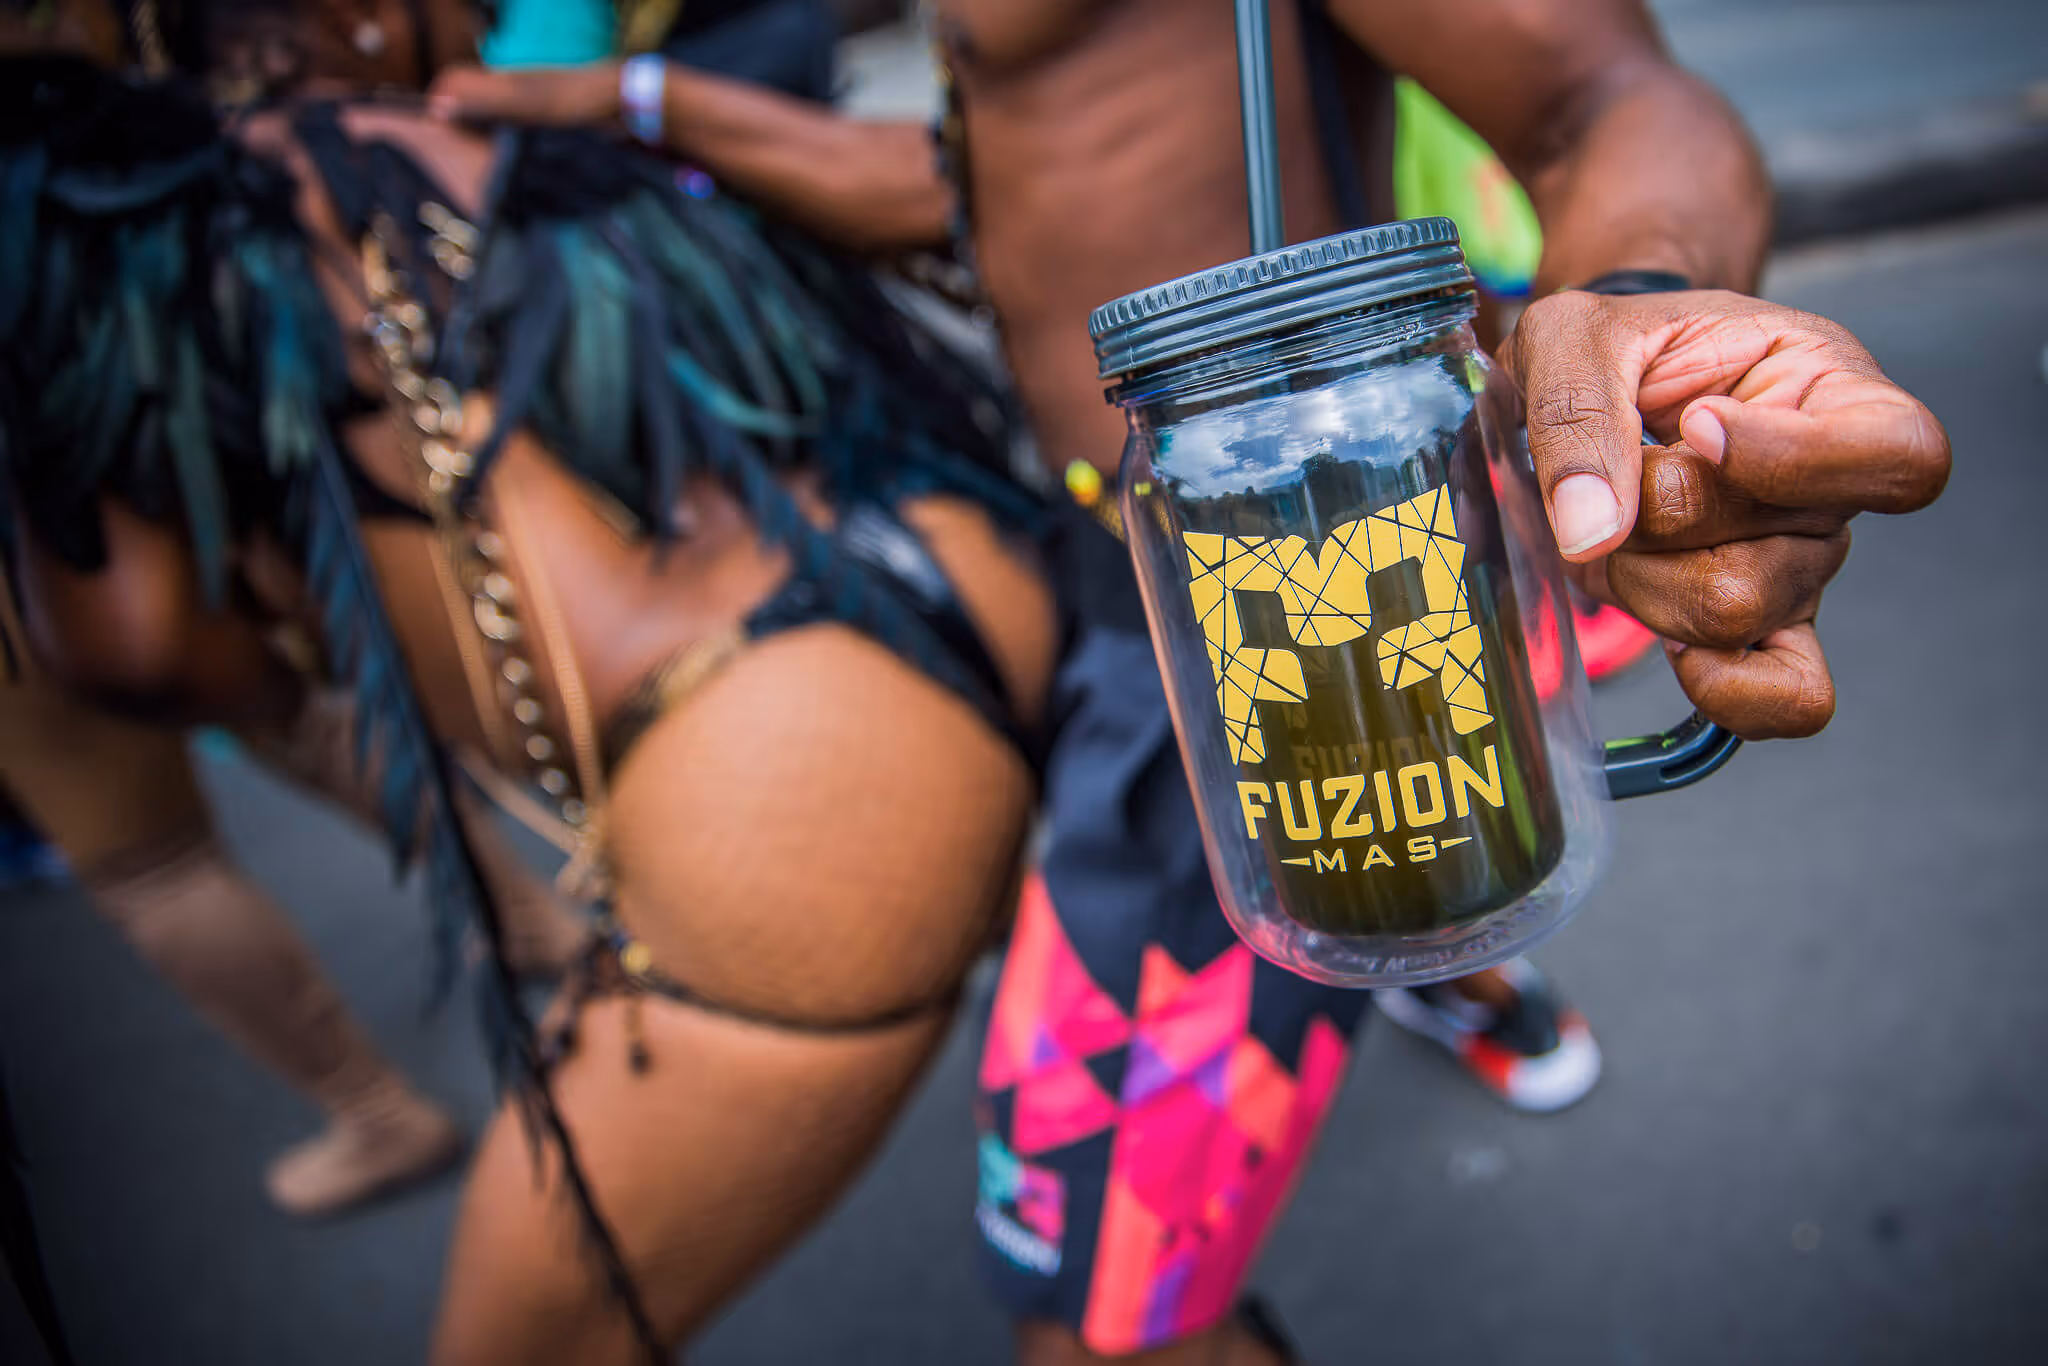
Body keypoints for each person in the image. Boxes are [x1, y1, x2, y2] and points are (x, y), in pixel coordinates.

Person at [423, 1, 1950, 1362]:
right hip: (1111, 573)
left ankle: (1441, 945)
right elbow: (1013, 174)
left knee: (1106, 1308)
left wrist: (1634, 296)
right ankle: (1449, 961)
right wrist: (647, 111)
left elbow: (1606, 98)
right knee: (1364, 910)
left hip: (1267, 601)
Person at [3, 5, 1053, 1366]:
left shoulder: (158, 228)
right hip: (966, 595)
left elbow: (136, 643)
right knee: (1121, 1268)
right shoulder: (524, 133)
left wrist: (284, 637)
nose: (490, 20)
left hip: (794, 773)